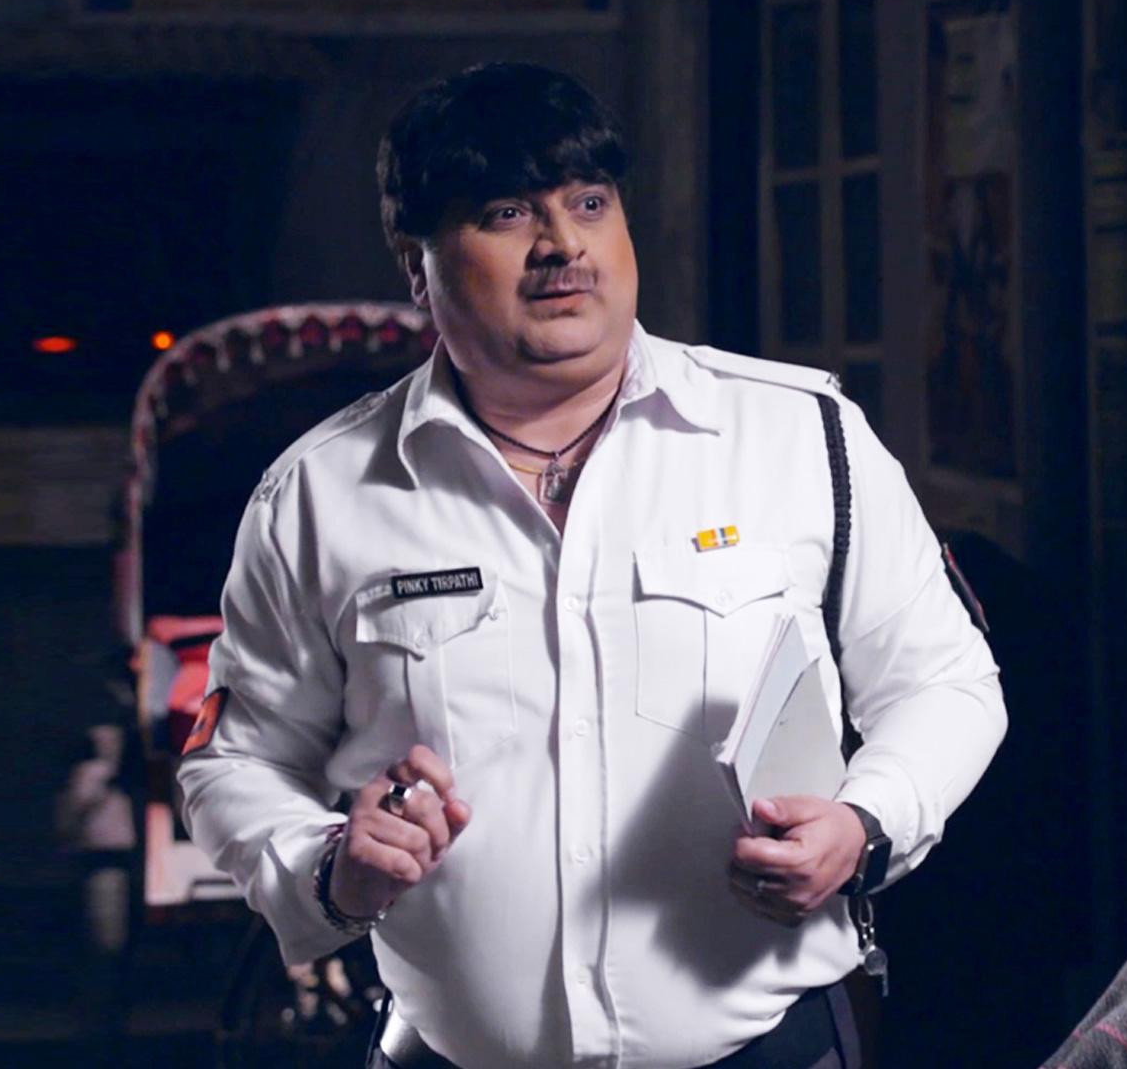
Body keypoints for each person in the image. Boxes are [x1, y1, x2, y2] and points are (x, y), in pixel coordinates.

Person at [177, 62, 1006, 1069]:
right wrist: (332, 872)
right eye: (506, 212)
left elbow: (945, 682)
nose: (562, 245)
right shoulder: (320, 493)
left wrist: (864, 825)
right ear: (417, 265)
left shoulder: (802, 437)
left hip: (770, 1049)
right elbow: (236, 762)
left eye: (588, 203)